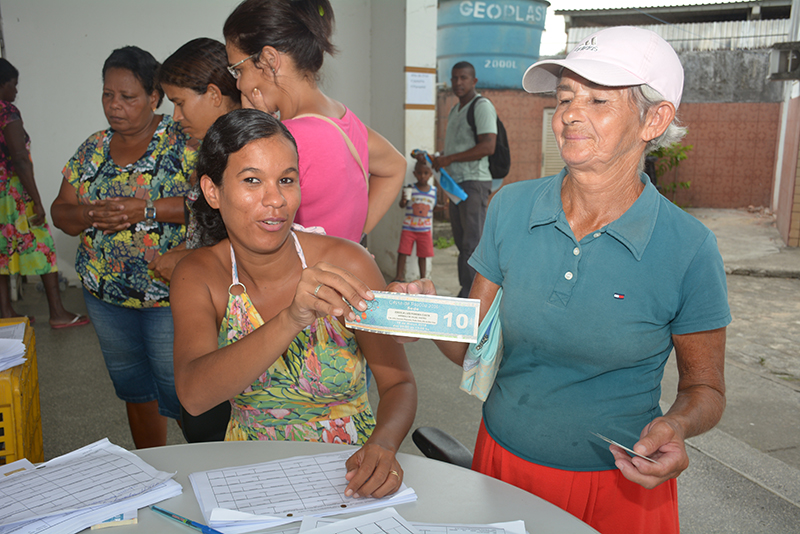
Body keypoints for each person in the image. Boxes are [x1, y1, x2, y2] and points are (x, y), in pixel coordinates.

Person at [393, 27, 731, 534]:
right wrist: (427, 311)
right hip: (503, 465)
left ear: (654, 120)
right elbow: (474, 348)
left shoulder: (688, 249)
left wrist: (677, 424)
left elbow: (705, 388)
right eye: (566, 96)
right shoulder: (511, 208)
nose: (571, 113)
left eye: (598, 99)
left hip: (621, 487)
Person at [171, 109, 416, 498]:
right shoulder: (199, 275)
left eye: (286, 180)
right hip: (250, 472)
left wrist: (383, 444)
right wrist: (291, 319)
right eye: (252, 180)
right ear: (212, 191)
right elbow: (194, 395)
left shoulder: (348, 263)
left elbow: (398, 382)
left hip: (349, 473)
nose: (275, 200)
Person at [51, 46, 196, 449]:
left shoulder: (181, 143)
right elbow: (60, 211)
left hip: (169, 295)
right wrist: (89, 216)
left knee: (182, 391)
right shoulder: (93, 148)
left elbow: (211, 207)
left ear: (154, 98)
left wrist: (144, 209)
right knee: (134, 388)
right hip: (106, 296)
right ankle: (153, 470)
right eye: (107, 95)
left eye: (127, 97)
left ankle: (208, 470)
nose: (114, 106)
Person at [223, 0, 406, 242]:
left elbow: (242, 225)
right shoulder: (343, 118)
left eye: (238, 70)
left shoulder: (292, 138)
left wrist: (254, 130)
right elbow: (395, 166)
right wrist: (353, 238)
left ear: (269, 60)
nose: (238, 84)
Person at [0, 59, 88, 329]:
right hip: (12, 193)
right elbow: (19, 158)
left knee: (1, 251)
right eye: (13, 84)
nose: (15, 91)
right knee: (44, 246)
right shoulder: (6, 111)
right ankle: (57, 312)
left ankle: (5, 313)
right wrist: (37, 201)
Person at [150, 37, 242, 282]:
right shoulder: (218, 147)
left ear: (213, 94)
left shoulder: (245, 151)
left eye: (179, 103)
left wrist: (190, 259)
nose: (176, 116)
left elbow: (251, 243)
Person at [430, 61, 497, 298]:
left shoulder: (481, 106)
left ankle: (475, 297)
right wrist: (442, 159)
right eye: (454, 78)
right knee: (462, 244)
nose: (458, 82)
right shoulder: (456, 108)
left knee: (472, 244)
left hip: (473, 183)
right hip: (456, 185)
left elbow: (488, 146)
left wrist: (450, 159)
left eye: (464, 78)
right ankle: (466, 292)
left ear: (474, 81)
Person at [394, 160, 436, 282]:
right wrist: (403, 200)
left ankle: (423, 278)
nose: (422, 176)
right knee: (403, 252)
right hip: (409, 228)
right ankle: (399, 275)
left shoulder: (433, 191)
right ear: (414, 173)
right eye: (419, 173)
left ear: (431, 174)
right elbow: (402, 205)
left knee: (423, 255)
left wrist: (443, 207)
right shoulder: (410, 189)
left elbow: (433, 207)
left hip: (425, 230)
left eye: (426, 173)